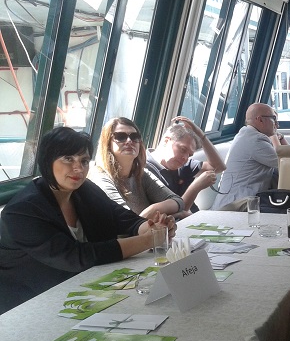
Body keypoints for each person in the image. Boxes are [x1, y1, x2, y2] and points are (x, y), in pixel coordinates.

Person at [0, 127, 176, 315]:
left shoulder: (84, 189)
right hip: (29, 307)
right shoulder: (22, 212)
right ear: (47, 160)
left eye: (84, 161)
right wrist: (149, 240)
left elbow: (118, 215)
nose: (78, 168)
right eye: (68, 159)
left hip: (81, 291)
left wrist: (151, 227)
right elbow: (76, 257)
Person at [89, 117, 184, 218]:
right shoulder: (99, 177)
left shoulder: (141, 174)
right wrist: (149, 217)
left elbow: (178, 201)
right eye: (120, 137)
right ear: (107, 143)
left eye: (135, 137)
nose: (129, 141)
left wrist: (153, 209)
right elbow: (126, 218)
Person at [146, 116, 226, 218]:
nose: (185, 158)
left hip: (197, 218)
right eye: (183, 150)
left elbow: (219, 167)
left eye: (190, 155)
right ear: (166, 141)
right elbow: (168, 217)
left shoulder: (183, 165)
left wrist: (201, 135)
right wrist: (196, 187)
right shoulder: (146, 171)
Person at [211, 103, 280, 210]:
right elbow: (283, 164)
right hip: (236, 205)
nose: (277, 124)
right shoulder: (255, 140)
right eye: (274, 118)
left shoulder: (247, 134)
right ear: (260, 120)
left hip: (238, 201)